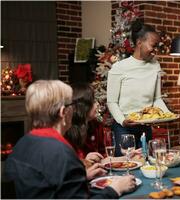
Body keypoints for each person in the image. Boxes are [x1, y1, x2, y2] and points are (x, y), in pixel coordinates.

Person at [4, 80, 136, 198]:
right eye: (70, 105)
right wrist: (115, 189)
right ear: (63, 112)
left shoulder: (21, 144)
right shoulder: (61, 153)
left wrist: (83, 177)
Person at [107, 20, 170, 156]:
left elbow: (157, 99)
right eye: (153, 45)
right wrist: (123, 121)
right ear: (139, 42)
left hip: (145, 127)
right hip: (123, 128)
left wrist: (167, 114)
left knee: (147, 162)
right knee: (126, 166)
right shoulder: (119, 67)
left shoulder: (155, 65)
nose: (156, 50)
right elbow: (111, 101)